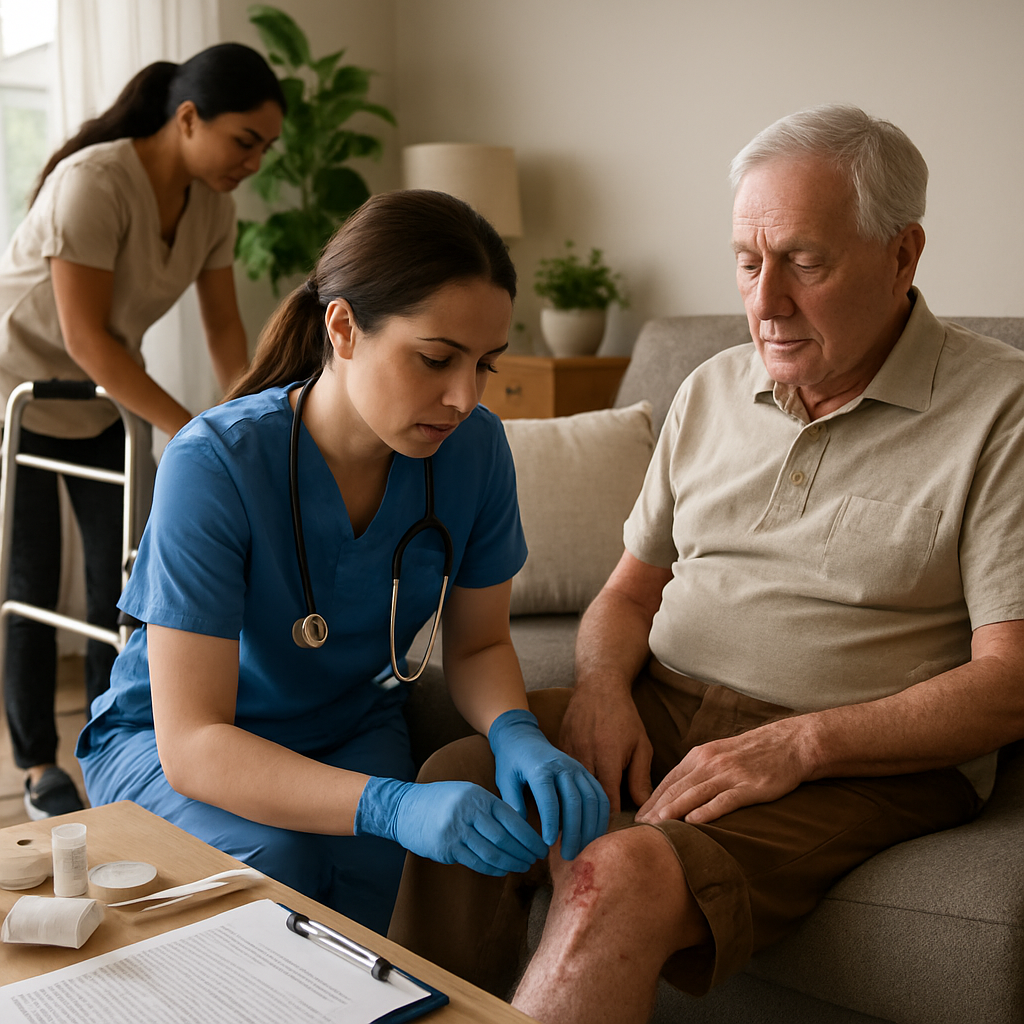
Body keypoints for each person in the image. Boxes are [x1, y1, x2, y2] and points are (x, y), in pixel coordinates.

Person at [386, 105, 1024, 1023]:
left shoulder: (1000, 409)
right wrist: (603, 685)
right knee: (459, 777)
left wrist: (803, 744)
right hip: (667, 702)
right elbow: (628, 591)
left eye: (805, 261)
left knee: (618, 872)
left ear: (903, 253)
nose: (765, 301)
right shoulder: (711, 389)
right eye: (748, 261)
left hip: (862, 757)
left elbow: (1009, 681)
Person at [75, 189, 609, 935]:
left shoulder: (477, 451)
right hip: (173, 743)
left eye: (485, 366)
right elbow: (193, 742)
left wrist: (517, 732)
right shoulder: (215, 463)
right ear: (344, 327)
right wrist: (390, 804)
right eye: (435, 358)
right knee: (277, 868)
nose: (462, 398)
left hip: (350, 726)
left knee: (397, 888)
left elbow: (480, 641)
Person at [0, 42, 286, 819]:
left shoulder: (213, 208)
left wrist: (253, 419)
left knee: (122, 582)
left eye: (267, 148)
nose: (254, 162)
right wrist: (199, 435)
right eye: (244, 141)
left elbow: (227, 331)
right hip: (18, 391)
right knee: (30, 585)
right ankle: (34, 765)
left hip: (100, 399)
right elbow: (87, 336)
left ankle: (107, 741)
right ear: (188, 119)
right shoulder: (95, 181)